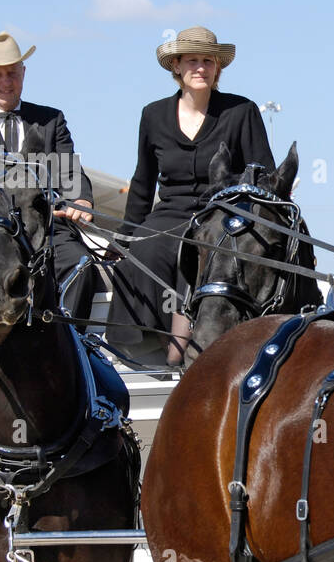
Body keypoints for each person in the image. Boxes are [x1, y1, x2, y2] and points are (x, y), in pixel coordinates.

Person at [106, 26, 274, 363]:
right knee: (147, 249)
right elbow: (143, 180)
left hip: (224, 213)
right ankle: (149, 347)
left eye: (208, 61)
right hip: (170, 210)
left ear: (217, 68)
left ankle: (186, 349)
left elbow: (264, 177)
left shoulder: (242, 111)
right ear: (177, 67)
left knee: (200, 248)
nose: (201, 68)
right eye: (192, 61)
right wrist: (125, 235)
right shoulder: (153, 115)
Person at [0, 32, 101, 323]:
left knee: (82, 263)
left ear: (23, 73)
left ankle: (71, 337)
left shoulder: (51, 119)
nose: (6, 82)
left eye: (12, 73)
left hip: (45, 232)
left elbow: (69, 172)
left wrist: (80, 198)